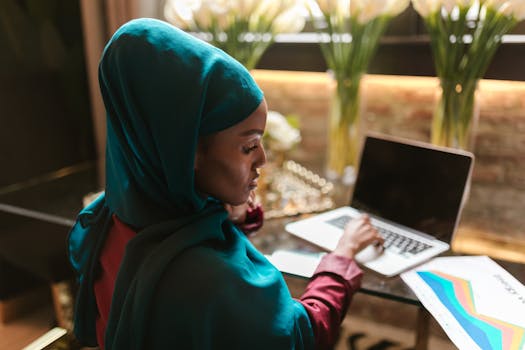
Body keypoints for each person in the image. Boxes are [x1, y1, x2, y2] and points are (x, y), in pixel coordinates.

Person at [68, 18, 383, 350]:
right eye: (248, 147)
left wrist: (234, 213)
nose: (262, 159)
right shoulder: (210, 279)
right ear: (184, 152)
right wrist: (342, 256)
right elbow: (300, 335)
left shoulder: (104, 218)